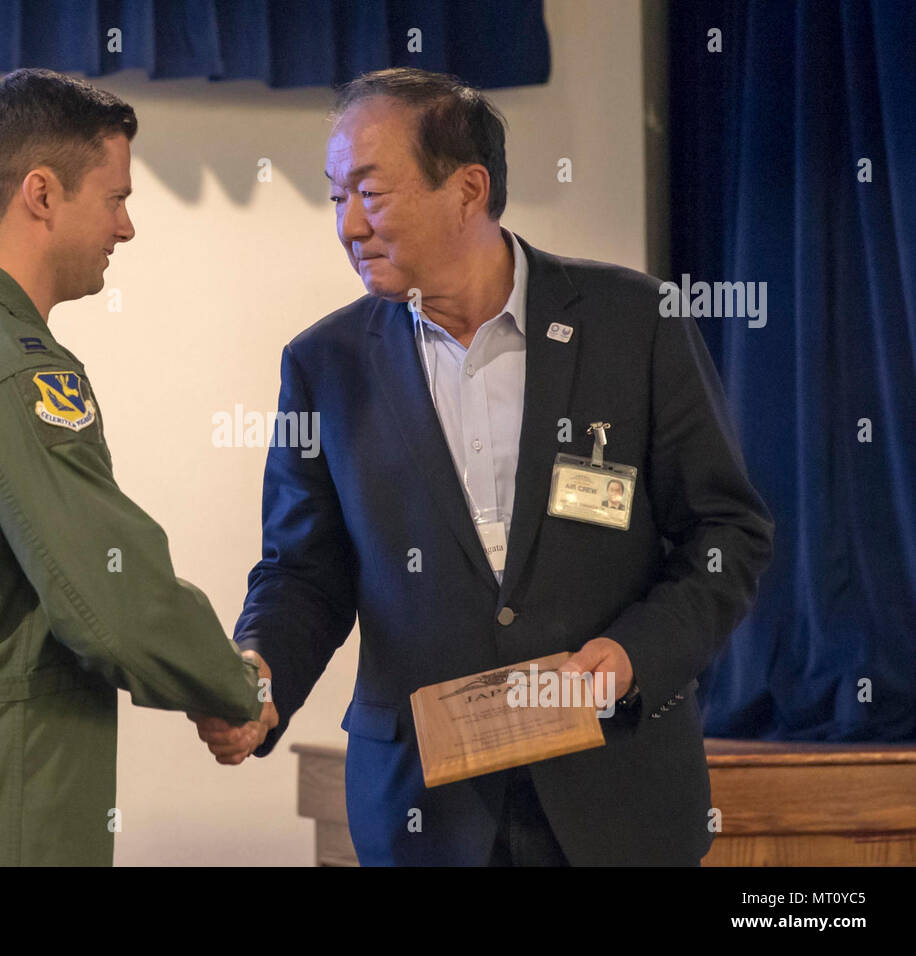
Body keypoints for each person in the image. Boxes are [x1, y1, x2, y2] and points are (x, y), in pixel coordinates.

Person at [191, 68, 773, 866]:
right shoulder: (325, 365)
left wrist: (636, 653)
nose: (349, 226)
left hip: (619, 797)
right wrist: (260, 675)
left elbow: (727, 533)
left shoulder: (634, 323)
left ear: (468, 189)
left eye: (371, 192)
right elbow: (303, 573)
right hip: (424, 811)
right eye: (336, 198)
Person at [0, 68, 275, 866]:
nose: (127, 228)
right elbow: (109, 600)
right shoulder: (18, 372)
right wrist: (235, 685)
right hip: (6, 802)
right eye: (116, 198)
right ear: (42, 194)